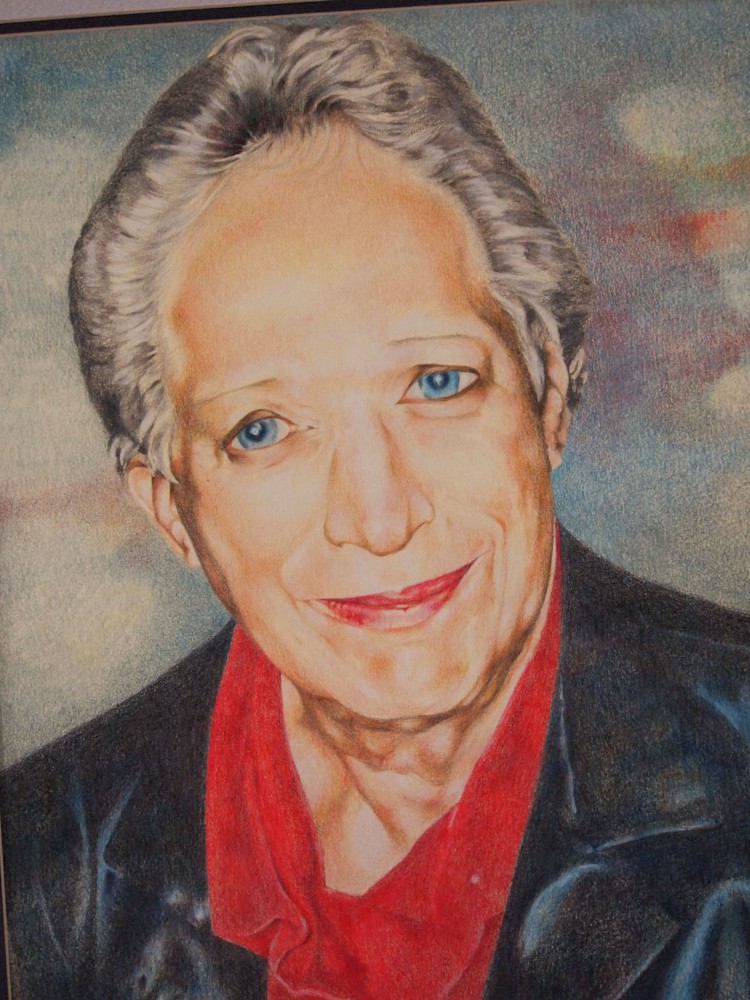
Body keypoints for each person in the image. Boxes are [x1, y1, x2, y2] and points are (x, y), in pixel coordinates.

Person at [2, 19, 749, 1000]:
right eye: (263, 429)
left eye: (437, 381)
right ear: (171, 511)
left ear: (549, 399)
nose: (380, 516)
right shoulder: (43, 862)